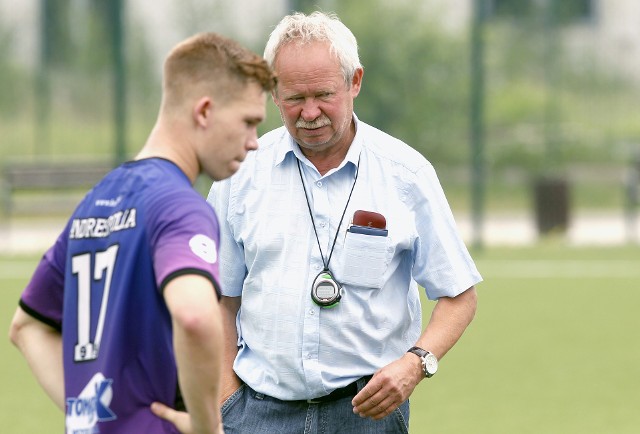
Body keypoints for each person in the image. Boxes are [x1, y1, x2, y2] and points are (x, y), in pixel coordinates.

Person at [154, 11, 482, 434]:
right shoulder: (240, 172)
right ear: (273, 91)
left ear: (355, 82)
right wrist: (227, 399)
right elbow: (219, 297)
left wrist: (415, 364)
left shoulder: (406, 174)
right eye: (294, 98)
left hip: (368, 416)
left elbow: (459, 296)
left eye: (323, 94)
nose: (309, 112)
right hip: (256, 415)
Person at [8, 32, 276, 434]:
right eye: (248, 122)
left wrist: (90, 414)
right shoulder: (181, 206)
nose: (254, 143)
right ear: (204, 112)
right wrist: (208, 427)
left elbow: (26, 327)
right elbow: (194, 315)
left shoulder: (96, 201)